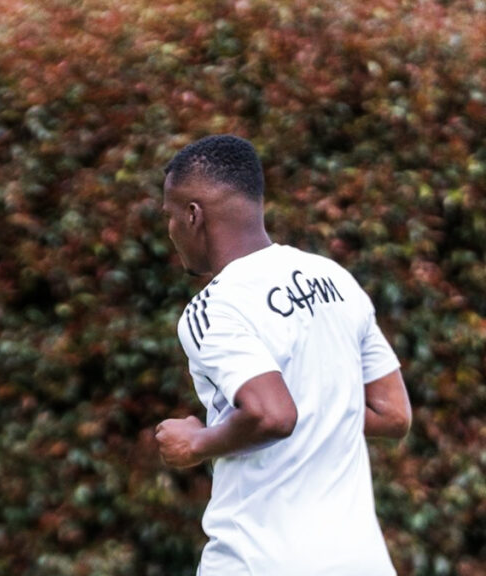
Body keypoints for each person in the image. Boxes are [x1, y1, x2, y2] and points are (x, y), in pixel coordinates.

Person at [154, 134, 412, 575]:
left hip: (261, 560)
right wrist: (323, 409)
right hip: (362, 560)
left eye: (170, 216)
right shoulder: (334, 279)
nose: (171, 230)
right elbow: (393, 415)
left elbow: (273, 415)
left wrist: (196, 443)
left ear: (193, 215)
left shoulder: (214, 308)